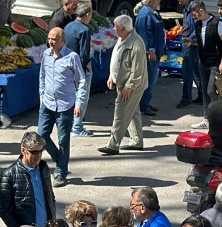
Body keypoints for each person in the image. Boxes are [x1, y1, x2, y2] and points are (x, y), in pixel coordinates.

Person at [38, 26, 87, 188]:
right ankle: (60, 159)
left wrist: (79, 104)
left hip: (65, 105)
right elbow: (42, 76)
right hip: (47, 104)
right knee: (41, 136)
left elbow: (81, 81)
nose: (51, 42)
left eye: (54, 39)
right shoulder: (46, 54)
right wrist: (42, 96)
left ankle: (61, 172)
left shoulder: (72, 57)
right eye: (49, 39)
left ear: (62, 40)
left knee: (63, 140)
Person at [97, 15, 148, 156]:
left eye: (116, 27)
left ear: (124, 29)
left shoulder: (136, 44)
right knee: (133, 112)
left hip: (131, 86)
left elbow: (137, 71)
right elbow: (117, 59)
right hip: (123, 83)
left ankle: (113, 145)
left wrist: (128, 87)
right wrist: (111, 76)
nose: (114, 29)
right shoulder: (122, 38)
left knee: (120, 113)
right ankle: (137, 141)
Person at [0, 132, 56, 227]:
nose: (38, 155)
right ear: (23, 150)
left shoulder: (44, 168)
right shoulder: (9, 175)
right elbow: (2, 209)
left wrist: (52, 223)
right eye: (34, 152)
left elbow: (50, 197)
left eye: (41, 151)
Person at [190, 1, 222, 130]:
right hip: (203, 62)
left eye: (195, 14)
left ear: (201, 11)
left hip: (215, 62)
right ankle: (207, 119)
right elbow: (203, 40)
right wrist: (192, 42)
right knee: (205, 91)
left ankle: (220, 117)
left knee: (211, 90)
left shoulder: (217, 23)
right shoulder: (198, 24)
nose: (194, 17)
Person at [65, 4, 94, 137]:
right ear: (87, 14)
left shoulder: (68, 26)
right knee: (82, 97)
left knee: (70, 96)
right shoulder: (84, 30)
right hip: (79, 69)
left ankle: (69, 123)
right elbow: (84, 54)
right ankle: (77, 126)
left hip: (67, 67)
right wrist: (88, 66)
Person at [135, 0, 165, 117]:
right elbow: (145, 34)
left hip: (155, 53)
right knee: (149, 80)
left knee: (151, 80)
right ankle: (143, 105)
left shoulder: (152, 13)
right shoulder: (146, 14)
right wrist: (151, 50)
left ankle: (146, 102)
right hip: (149, 54)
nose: (159, 2)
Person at [176, 0, 203, 109]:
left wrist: (190, 40)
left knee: (187, 72)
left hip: (190, 44)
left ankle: (186, 98)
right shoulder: (187, 7)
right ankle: (202, 95)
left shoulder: (191, 8)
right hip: (191, 43)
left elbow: (196, 27)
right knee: (195, 71)